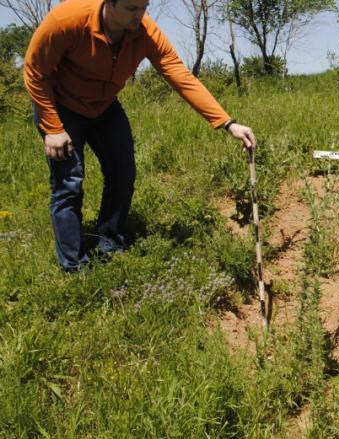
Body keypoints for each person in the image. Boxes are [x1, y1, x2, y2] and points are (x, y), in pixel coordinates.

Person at [23, 0, 256, 272]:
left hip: (104, 105)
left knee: (123, 173)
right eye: (132, 8)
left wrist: (227, 123)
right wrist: (52, 127)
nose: (140, 15)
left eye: (144, 7)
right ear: (109, 3)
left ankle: (110, 244)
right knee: (69, 184)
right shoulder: (68, 20)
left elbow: (179, 74)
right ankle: (73, 266)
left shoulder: (144, 31)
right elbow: (35, 71)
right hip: (62, 106)